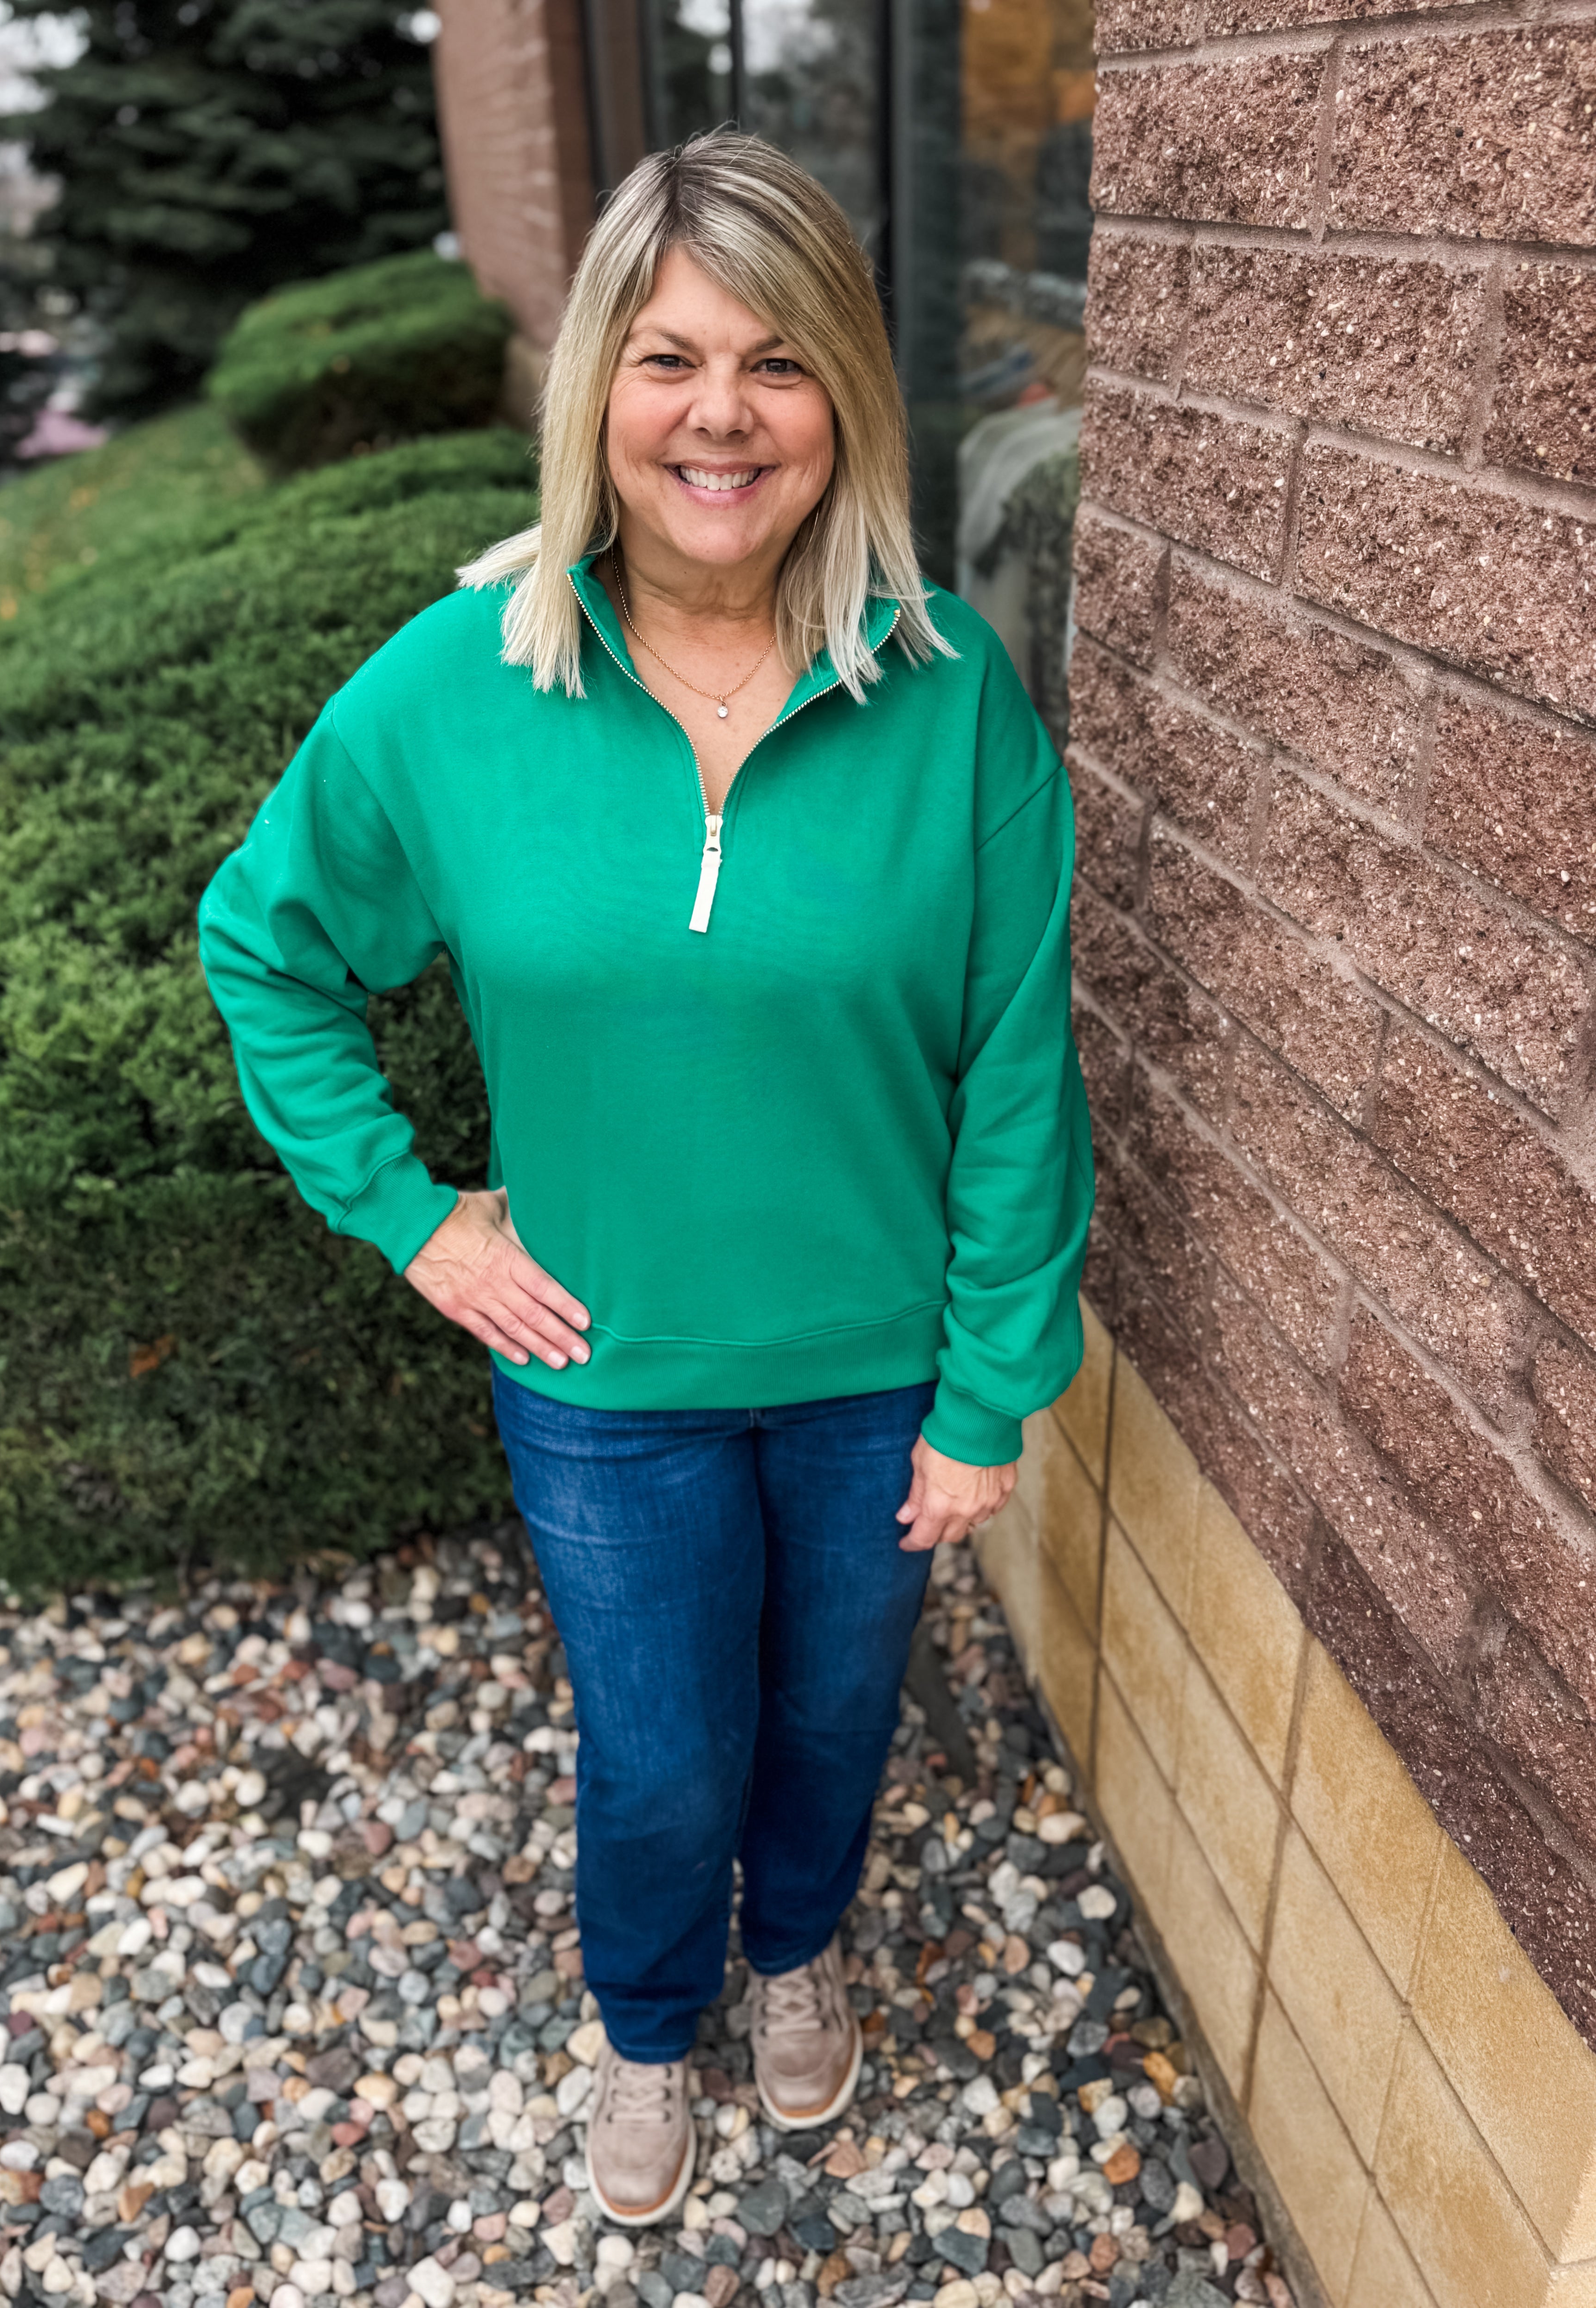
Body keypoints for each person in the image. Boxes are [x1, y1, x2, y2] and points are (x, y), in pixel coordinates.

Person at [198, 130, 1093, 2228]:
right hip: (603, 1375)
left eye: (778, 364)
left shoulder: (946, 693)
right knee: (662, 1749)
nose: (721, 415)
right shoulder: (463, 684)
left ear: (845, 398)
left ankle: (800, 1952)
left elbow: (1017, 1063)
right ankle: (642, 2010)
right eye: (671, 358)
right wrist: (414, 1214)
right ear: (596, 381)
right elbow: (268, 943)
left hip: (877, 1368)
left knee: (834, 1716)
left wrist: (989, 1388)